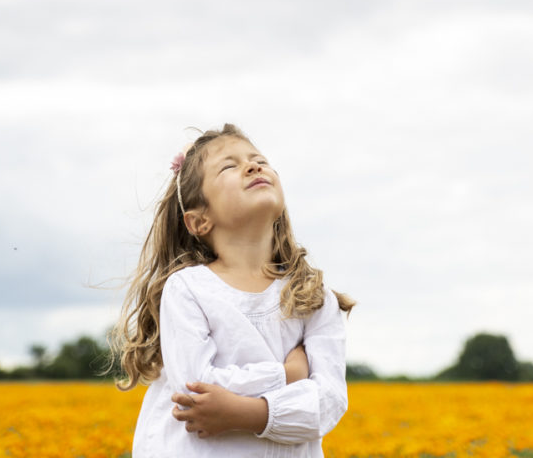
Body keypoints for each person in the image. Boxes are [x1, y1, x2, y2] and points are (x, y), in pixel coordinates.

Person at [109, 123, 354, 457]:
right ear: (198, 221)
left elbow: (328, 404)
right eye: (229, 165)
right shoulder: (188, 289)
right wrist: (289, 375)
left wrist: (246, 414)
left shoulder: (312, 296)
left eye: (259, 160)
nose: (254, 166)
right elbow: (195, 389)